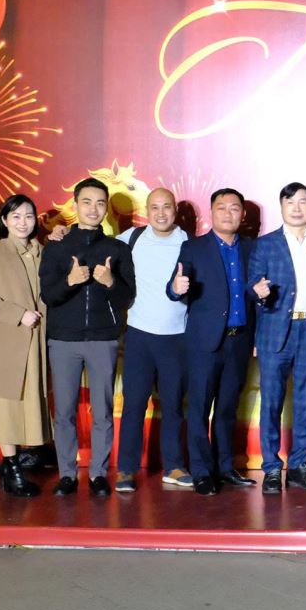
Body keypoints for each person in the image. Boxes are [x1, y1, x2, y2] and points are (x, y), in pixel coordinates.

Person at [39, 177, 136, 497]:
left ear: (106, 208)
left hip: (103, 339)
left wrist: (110, 282)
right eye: (87, 202)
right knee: (64, 411)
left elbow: (126, 298)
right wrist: (70, 280)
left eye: (100, 203)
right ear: (75, 205)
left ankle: (98, 473)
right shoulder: (57, 247)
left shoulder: (117, 249)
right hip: (63, 340)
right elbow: (48, 296)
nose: (93, 209)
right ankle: (67, 473)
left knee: (103, 411)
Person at [168, 188, 259, 495]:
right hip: (204, 342)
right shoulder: (193, 247)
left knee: (227, 408)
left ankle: (225, 466)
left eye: (234, 208)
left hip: (239, 341)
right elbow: (174, 286)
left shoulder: (252, 249)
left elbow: (253, 293)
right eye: (222, 207)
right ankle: (202, 471)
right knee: (199, 408)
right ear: (211, 212)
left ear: (242, 214)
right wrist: (176, 288)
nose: (228, 213)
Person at [248, 182, 306, 494]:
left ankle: (299, 465)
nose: (297, 208)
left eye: (303, 202)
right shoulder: (265, 244)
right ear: (281, 207)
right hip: (274, 331)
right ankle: (271, 467)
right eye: (290, 202)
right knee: (271, 401)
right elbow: (252, 284)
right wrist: (257, 292)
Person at [0, 194, 51, 498]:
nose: (22, 222)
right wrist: (19, 314)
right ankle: (12, 467)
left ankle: (11, 467)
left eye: (28, 216)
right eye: (15, 216)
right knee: (4, 405)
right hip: (4, 340)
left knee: (27, 403)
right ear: (4, 221)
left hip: (35, 341)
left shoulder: (44, 252)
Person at [116, 188, 192, 493]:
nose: (161, 213)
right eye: (155, 207)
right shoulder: (131, 238)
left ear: (175, 211)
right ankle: (126, 469)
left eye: (167, 207)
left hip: (177, 338)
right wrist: (61, 234)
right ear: (147, 211)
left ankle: (174, 466)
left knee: (173, 405)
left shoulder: (189, 242)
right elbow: (95, 247)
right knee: (134, 404)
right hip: (139, 336)